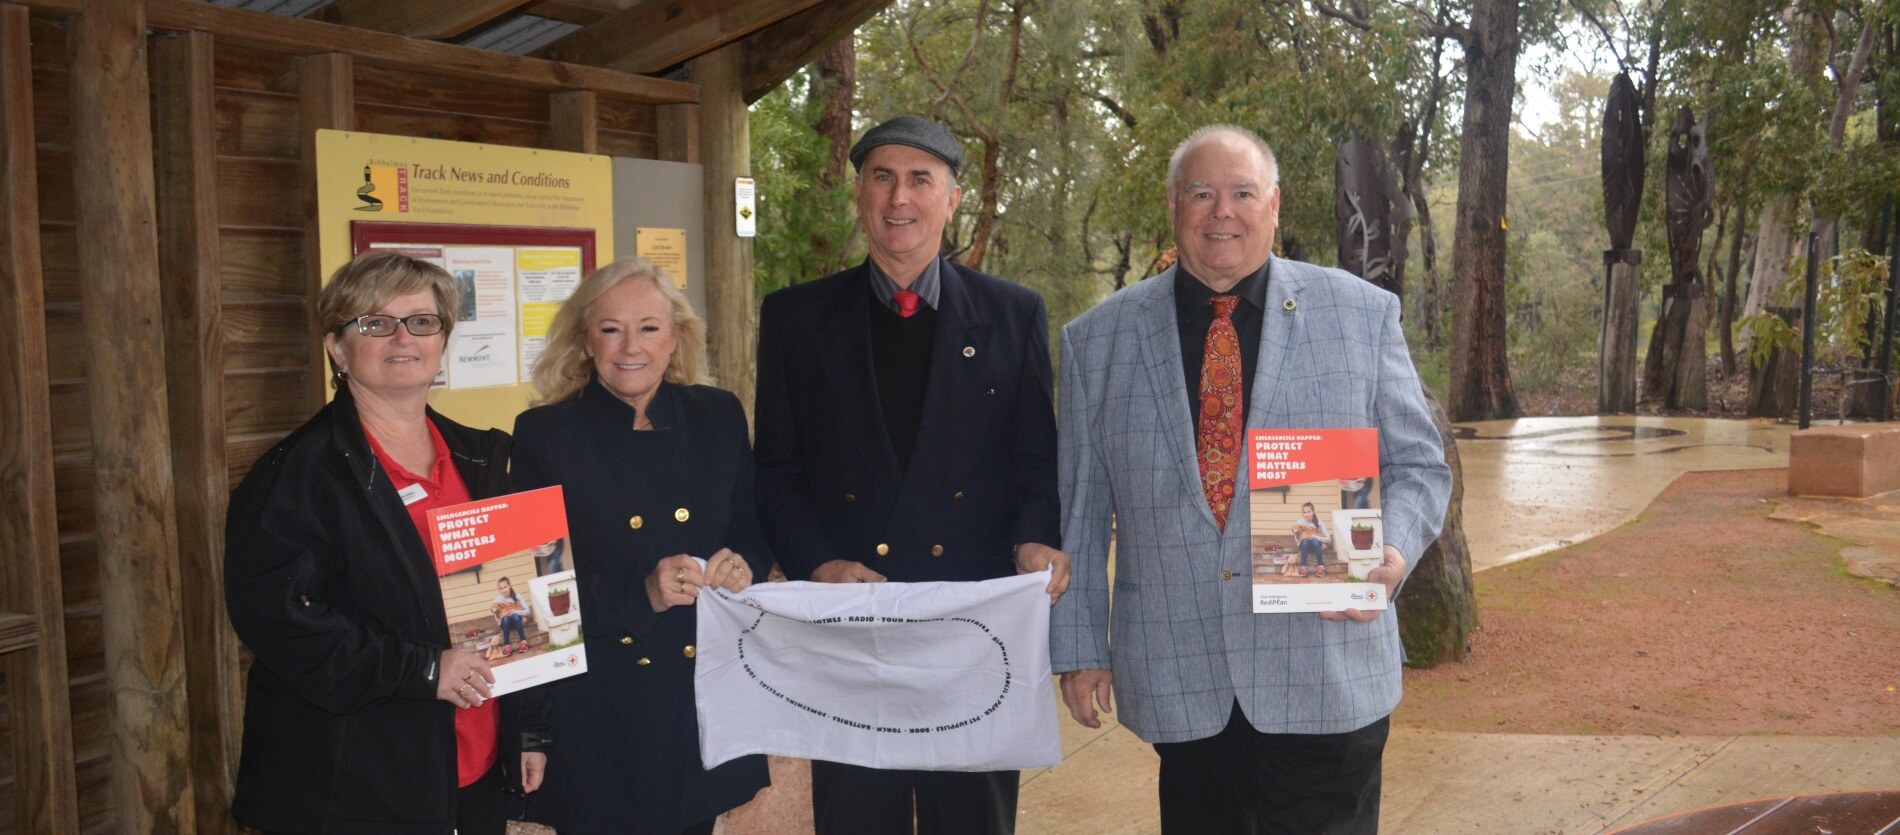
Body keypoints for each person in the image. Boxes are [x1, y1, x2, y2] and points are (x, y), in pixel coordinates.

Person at [1050, 125, 1452, 834]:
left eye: (1241, 192)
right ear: (1174, 207)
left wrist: (1390, 556)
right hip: (1182, 673)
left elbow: (1418, 465)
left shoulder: (1359, 313)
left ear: (1273, 204)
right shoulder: (1098, 340)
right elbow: (1082, 507)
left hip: (1326, 668)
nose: (1221, 211)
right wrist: (1080, 645)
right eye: (1201, 193)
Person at [753, 114, 1068, 835]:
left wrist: (1032, 539)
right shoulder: (796, 320)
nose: (900, 197)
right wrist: (817, 562)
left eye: (920, 179)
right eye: (882, 177)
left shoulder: (1013, 314)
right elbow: (775, 470)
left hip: (972, 635)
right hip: (853, 627)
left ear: (952, 199)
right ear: (859, 194)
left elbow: (1032, 460)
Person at [224, 251, 547, 834]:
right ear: (338, 348)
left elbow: (520, 610)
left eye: (422, 321)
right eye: (375, 323)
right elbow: (281, 623)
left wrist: (528, 733)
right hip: (356, 787)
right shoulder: (294, 478)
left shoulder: (486, 459)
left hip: (472, 772)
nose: (403, 337)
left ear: (442, 339)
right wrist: (422, 670)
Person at [514, 258, 770, 835]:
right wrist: (643, 592)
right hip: (599, 706)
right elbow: (533, 598)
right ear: (585, 338)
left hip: (696, 694)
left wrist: (741, 566)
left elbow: (751, 531)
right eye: (610, 328)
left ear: (676, 335)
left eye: (649, 327)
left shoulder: (718, 415)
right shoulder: (543, 436)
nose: (631, 346)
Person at [493, 576, 531, 654]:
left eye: (505, 587)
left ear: (509, 586)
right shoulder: (497, 600)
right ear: (499, 590)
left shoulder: (518, 597)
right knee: (506, 617)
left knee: (515, 616)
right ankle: (507, 645)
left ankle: (523, 641)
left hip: (517, 622)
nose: (504, 590)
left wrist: (515, 611)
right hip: (505, 624)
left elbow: (528, 611)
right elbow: (496, 615)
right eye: (501, 588)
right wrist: (502, 616)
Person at [1292, 502, 1330, 577]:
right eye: (1304, 512)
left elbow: (1328, 539)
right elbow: (1296, 537)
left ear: (1313, 512)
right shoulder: (1299, 522)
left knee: (1315, 541)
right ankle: (1303, 566)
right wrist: (1303, 537)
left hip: (1316, 547)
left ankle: (1321, 566)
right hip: (1304, 547)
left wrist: (1315, 537)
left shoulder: (1319, 523)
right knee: (1306, 541)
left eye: (1309, 512)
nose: (1307, 514)